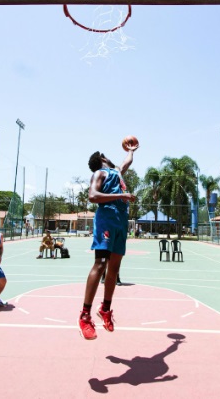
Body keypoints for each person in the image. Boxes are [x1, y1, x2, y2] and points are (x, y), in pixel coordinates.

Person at [78, 145, 137, 340]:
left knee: (114, 268)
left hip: (121, 220)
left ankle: (105, 309)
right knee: (101, 263)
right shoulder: (100, 173)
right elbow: (93, 196)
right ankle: (85, 316)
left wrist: (131, 151)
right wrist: (122, 195)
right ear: (102, 158)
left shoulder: (117, 172)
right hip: (107, 218)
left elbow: (127, 162)